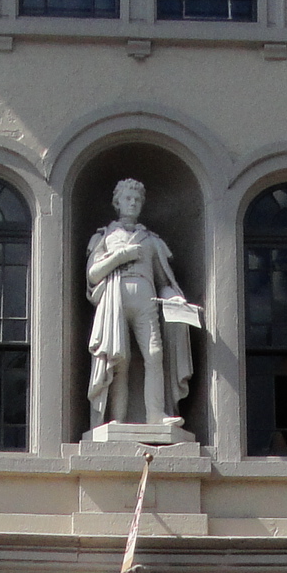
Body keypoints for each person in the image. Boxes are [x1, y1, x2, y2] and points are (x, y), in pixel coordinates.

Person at [85, 177, 194, 431]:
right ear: (117, 202)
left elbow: (163, 279)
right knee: (119, 358)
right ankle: (117, 420)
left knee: (154, 354)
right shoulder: (105, 236)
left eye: (137, 200)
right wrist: (120, 257)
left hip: (146, 299)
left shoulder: (151, 240)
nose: (132, 203)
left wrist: (173, 297)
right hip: (114, 300)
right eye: (127, 199)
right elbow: (93, 274)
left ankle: (156, 414)